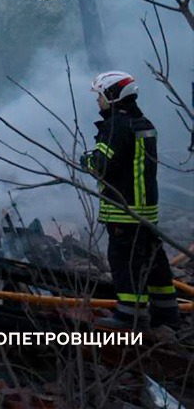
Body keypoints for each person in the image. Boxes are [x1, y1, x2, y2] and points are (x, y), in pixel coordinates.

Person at [80, 71, 178, 330]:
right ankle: (167, 314)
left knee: (125, 262)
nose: (98, 101)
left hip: (123, 210)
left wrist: (85, 160)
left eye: (100, 95)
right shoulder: (143, 123)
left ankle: (130, 316)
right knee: (153, 261)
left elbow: (100, 165)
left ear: (113, 96)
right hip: (147, 210)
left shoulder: (116, 126)